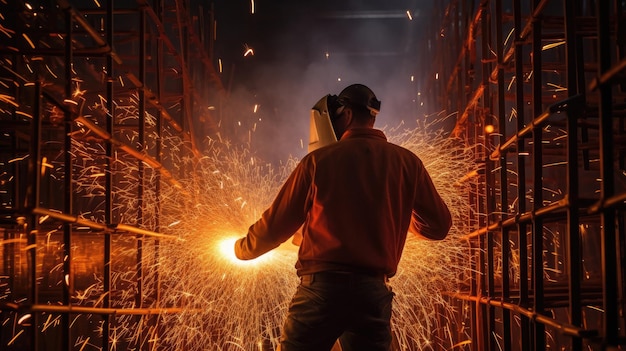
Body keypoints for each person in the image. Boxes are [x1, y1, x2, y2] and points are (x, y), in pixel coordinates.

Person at [234, 83, 452, 351]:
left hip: (321, 292)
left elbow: (274, 227)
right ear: (372, 116)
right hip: (372, 294)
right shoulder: (407, 163)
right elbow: (438, 227)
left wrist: (242, 249)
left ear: (345, 114)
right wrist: (396, 210)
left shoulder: (318, 162)